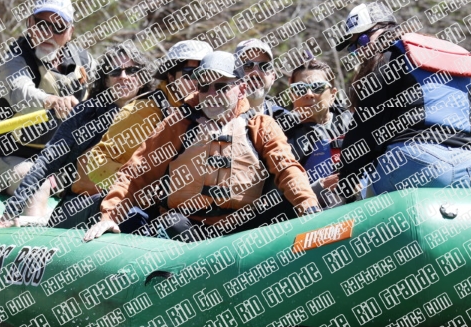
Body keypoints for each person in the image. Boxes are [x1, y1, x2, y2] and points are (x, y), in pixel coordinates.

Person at [84, 51, 320, 242]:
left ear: (242, 88)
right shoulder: (176, 125)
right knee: (170, 224)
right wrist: (111, 215)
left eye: (221, 86)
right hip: (186, 227)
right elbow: (136, 174)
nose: (211, 94)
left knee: (283, 209)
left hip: (244, 229)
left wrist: (308, 206)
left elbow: (287, 169)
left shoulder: (260, 125)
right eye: (204, 86)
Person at [334, 2, 471, 200]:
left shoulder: (383, 62)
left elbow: (363, 136)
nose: (359, 52)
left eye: (360, 41)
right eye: (353, 48)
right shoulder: (442, 59)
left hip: (415, 163)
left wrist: (346, 192)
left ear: (380, 31)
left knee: (367, 194)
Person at [0, 43, 160, 229]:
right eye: (115, 72)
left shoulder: (160, 114)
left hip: (135, 206)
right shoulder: (85, 114)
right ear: (105, 80)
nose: (123, 77)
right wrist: (11, 212)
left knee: (140, 216)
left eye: (132, 70)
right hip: (84, 205)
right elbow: (45, 163)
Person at [0, 0, 97, 216]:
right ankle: (31, 248)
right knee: (38, 182)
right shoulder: (15, 58)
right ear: (29, 24)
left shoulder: (85, 62)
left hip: (62, 164)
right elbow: (21, 92)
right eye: (41, 25)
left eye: (58, 26)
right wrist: (51, 100)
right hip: (13, 160)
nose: (47, 33)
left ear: (70, 32)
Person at [263, 60, 353, 209]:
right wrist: (319, 188)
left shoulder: (355, 123)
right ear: (292, 95)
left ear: (332, 94)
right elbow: (272, 203)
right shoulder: (280, 137)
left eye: (317, 87)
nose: (309, 94)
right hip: (311, 221)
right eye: (300, 89)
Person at [235, 39, 278, 112]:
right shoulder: (219, 119)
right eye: (247, 65)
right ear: (233, 73)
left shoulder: (285, 119)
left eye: (264, 66)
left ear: (273, 77)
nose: (256, 72)